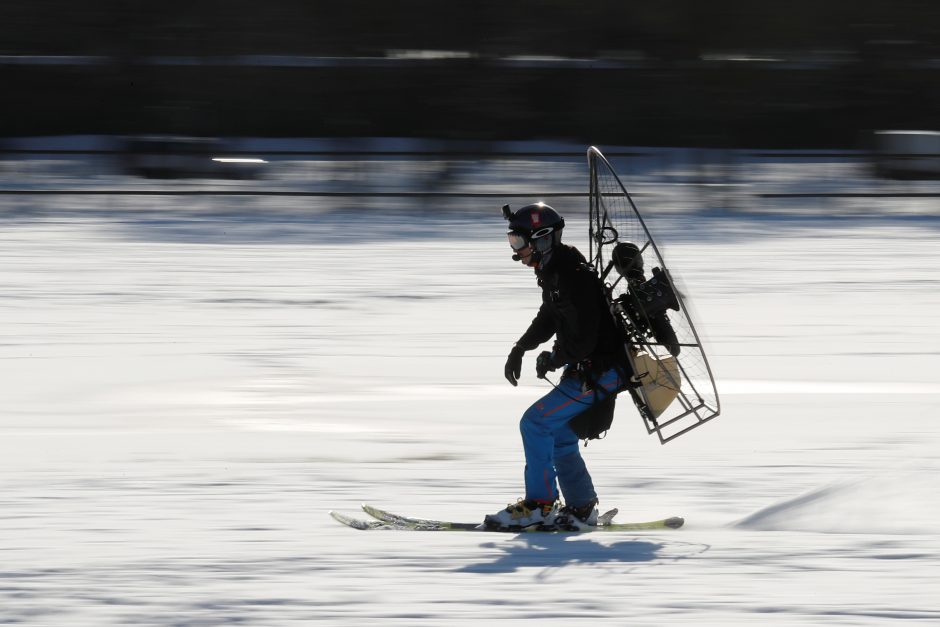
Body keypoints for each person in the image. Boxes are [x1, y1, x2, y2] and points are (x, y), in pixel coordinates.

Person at [484, 202, 631, 531]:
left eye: (518, 242)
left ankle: (539, 505)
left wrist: (554, 357)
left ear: (542, 239)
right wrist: (521, 347)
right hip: (594, 369)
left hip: (601, 372)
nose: (516, 250)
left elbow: (584, 336)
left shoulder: (569, 274)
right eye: (512, 242)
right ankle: (581, 508)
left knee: (535, 423)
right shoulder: (555, 269)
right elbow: (551, 314)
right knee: (560, 432)